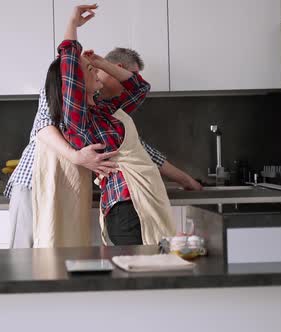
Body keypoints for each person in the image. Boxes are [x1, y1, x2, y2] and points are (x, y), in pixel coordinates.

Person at [35, 4, 177, 246]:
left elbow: (139, 89)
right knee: (139, 276)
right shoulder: (79, 121)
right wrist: (72, 24)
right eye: (90, 70)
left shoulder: (102, 110)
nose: (97, 74)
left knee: (151, 272)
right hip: (126, 206)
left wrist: (100, 62)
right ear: (76, 84)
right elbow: (69, 65)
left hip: (139, 202)